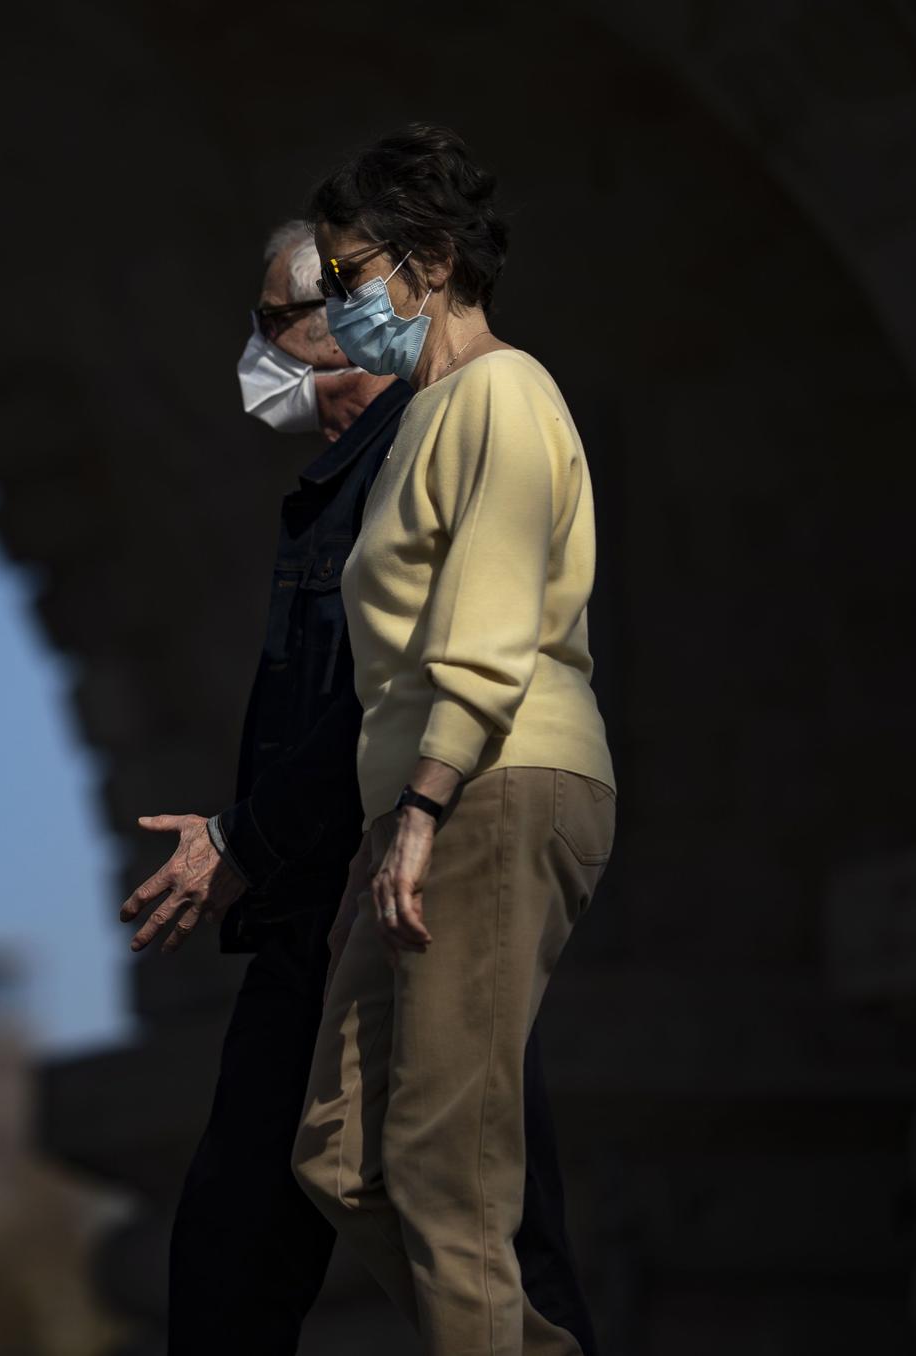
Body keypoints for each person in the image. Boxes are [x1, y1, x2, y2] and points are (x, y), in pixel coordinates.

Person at [119, 218, 600, 1354]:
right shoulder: (345, 477)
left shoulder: (443, 432)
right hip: (337, 883)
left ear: (342, 325)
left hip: (387, 875)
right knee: (385, 1192)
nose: (257, 352)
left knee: (438, 1204)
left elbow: (408, 680)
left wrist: (257, 832)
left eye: (270, 322)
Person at [286, 124, 620, 1356]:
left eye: (348, 274)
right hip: (427, 801)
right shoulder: (426, 418)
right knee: (336, 1148)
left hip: (489, 778)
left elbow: (481, 632)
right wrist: (386, 826)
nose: (334, 306)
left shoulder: (502, 392)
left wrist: (418, 815)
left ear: (426, 262)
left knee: (443, 1170)